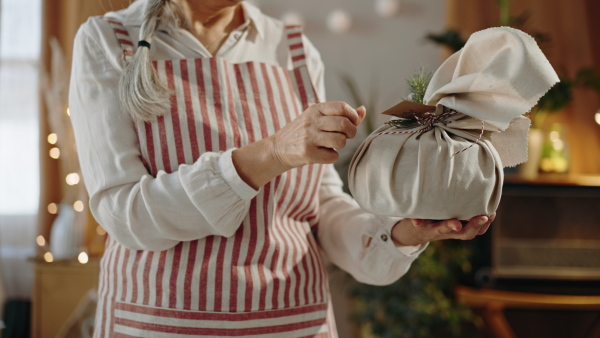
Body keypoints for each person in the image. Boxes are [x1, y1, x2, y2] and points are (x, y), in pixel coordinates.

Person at [69, 0, 495, 336]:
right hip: (158, 327)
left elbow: (321, 207)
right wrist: (273, 153)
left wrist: (405, 231)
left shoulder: (292, 48)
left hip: (293, 327)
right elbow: (126, 214)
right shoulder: (108, 39)